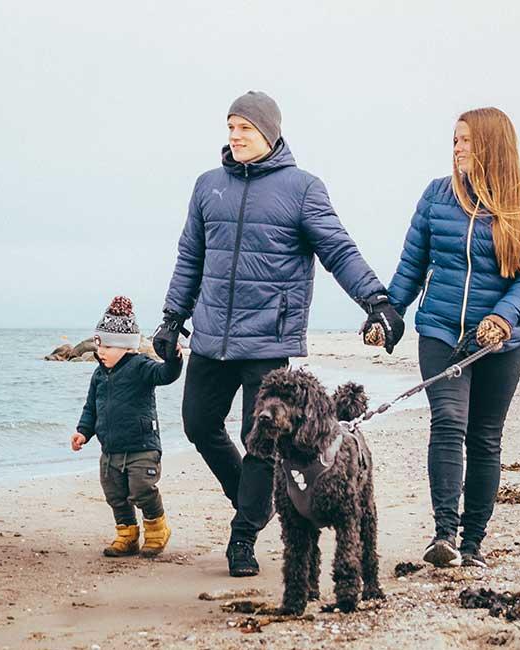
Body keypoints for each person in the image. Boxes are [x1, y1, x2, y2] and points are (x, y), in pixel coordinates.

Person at [152, 91, 404, 577]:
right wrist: (170, 318)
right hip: (210, 335)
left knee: (261, 441)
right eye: (229, 128)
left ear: (268, 132)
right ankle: (257, 502)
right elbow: (190, 258)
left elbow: (338, 250)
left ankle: (242, 537)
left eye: (244, 127)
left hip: (268, 339)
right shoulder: (208, 187)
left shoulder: (302, 188)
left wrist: (377, 302)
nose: (234, 136)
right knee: (198, 423)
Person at [379, 107, 520, 569]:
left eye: (466, 140)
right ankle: (444, 535)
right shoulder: (437, 197)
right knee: (448, 421)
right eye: (455, 140)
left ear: (492, 145)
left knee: (484, 438)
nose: (457, 148)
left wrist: (504, 318)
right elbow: (411, 267)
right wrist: (387, 315)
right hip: (439, 331)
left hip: (499, 341)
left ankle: (474, 542)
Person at [73, 296, 184, 557]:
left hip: (142, 447)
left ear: (128, 347)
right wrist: (82, 431)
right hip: (111, 449)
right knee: (116, 495)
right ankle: (127, 535)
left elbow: (165, 375)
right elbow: (91, 407)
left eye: (109, 346)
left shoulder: (140, 366)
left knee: (142, 490)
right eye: (100, 345)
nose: (101, 352)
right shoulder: (99, 374)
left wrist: (174, 359)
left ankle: (157, 530)